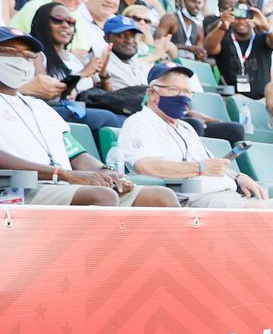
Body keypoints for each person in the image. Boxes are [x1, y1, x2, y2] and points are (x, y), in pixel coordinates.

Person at [0, 26, 176, 207]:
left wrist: (104, 171)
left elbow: (75, 154)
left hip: (61, 185)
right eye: (10, 53)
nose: (20, 61)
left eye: (28, 56)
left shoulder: (39, 107)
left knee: (161, 197)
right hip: (16, 189)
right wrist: (62, 174)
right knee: (102, 197)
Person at [118, 63, 273, 209]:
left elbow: (210, 164)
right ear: (152, 93)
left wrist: (238, 177)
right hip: (194, 199)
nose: (183, 96)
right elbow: (146, 167)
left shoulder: (185, 127)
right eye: (174, 89)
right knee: (259, 214)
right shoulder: (139, 123)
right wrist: (199, 168)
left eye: (187, 92)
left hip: (227, 195)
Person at [28, 1, 124, 130]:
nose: (65, 25)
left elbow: (105, 95)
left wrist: (104, 75)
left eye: (70, 22)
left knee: (125, 119)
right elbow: (45, 91)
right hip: (52, 110)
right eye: (57, 20)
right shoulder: (37, 54)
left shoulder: (75, 58)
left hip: (81, 108)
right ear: (43, 23)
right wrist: (83, 73)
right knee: (107, 118)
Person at [204, 0, 273, 95]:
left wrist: (266, 25)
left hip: (261, 100)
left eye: (246, 18)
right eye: (237, 18)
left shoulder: (262, 38)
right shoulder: (224, 39)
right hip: (231, 98)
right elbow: (209, 48)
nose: (241, 22)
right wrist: (223, 26)